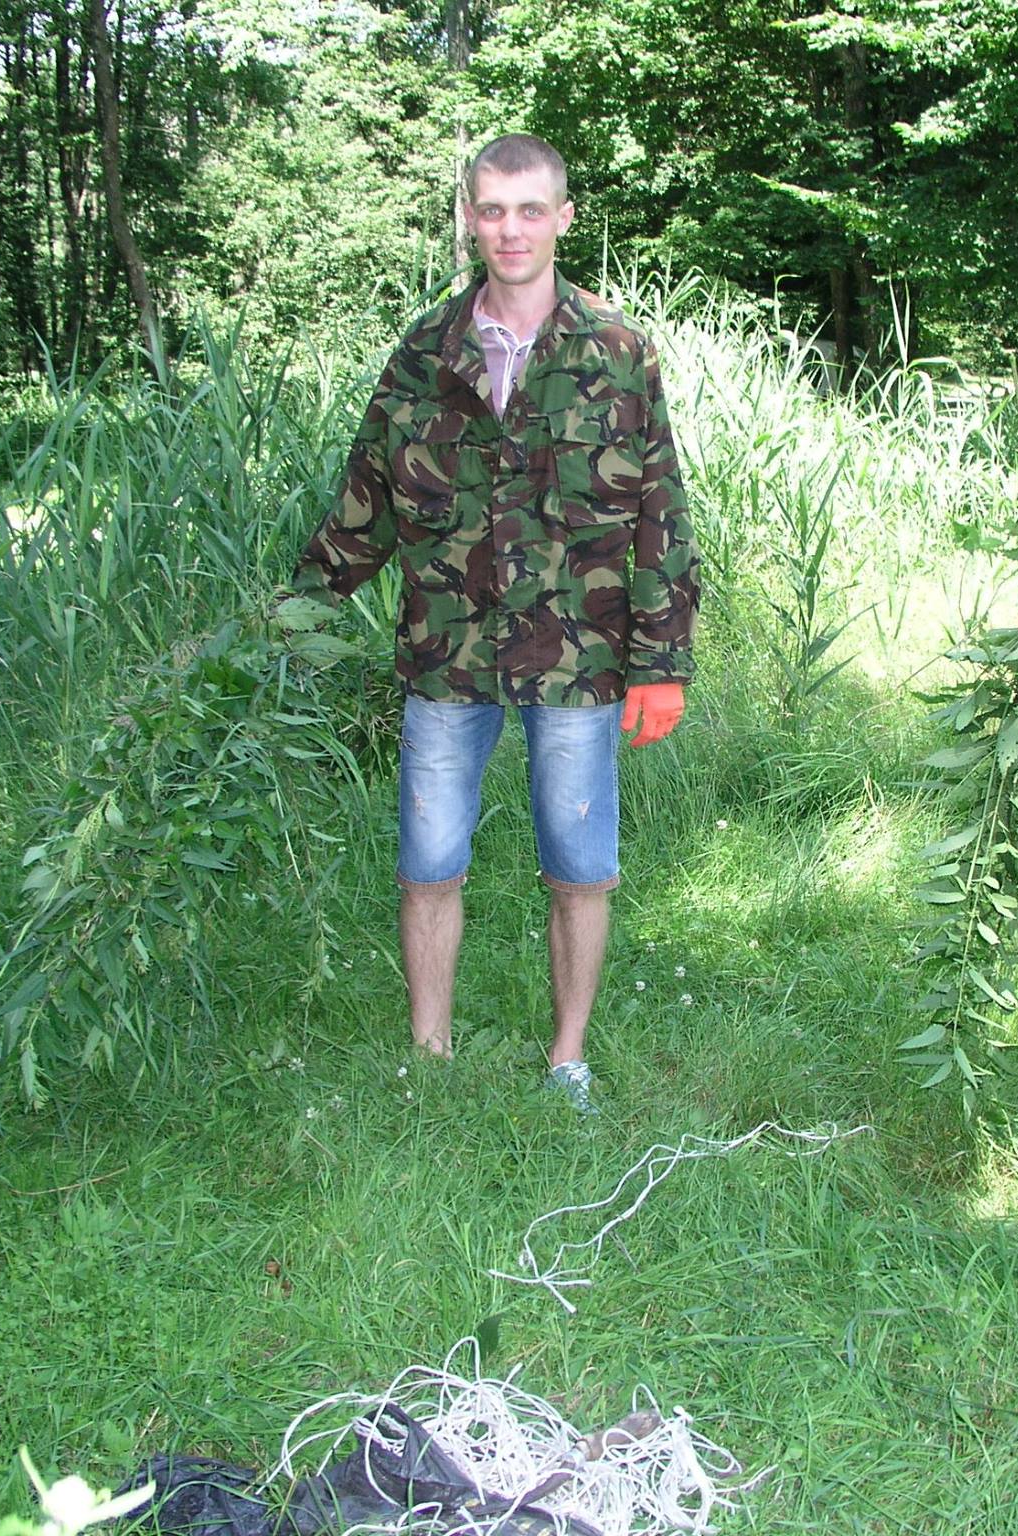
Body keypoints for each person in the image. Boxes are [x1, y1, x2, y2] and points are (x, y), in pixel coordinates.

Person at [291, 133, 698, 1113]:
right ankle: (428, 1056)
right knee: (428, 862)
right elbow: (366, 499)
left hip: (578, 653)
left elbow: (660, 511)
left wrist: (663, 662)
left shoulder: (617, 351)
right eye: (491, 210)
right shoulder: (424, 353)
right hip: (449, 650)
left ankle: (567, 1059)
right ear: (470, 219)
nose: (510, 230)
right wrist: (291, 617)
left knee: (580, 868)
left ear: (562, 219)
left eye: (529, 210)